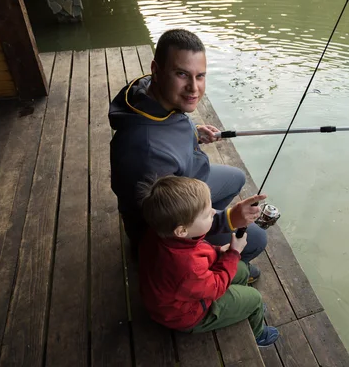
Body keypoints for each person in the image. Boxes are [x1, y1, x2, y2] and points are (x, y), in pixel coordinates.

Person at [109, 28, 268, 280]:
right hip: (163, 228)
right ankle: (218, 270)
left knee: (236, 178)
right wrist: (227, 218)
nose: (193, 88)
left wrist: (193, 132)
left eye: (200, 76)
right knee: (257, 238)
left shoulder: (150, 93)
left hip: (184, 183)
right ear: (156, 69)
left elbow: (166, 127)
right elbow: (170, 219)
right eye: (182, 74)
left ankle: (205, 231)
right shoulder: (146, 151)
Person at [138, 175, 279, 346]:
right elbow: (215, 287)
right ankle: (259, 335)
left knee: (241, 269)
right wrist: (234, 253)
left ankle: (240, 306)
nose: (214, 212)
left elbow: (197, 251)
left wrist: (220, 251)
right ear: (181, 230)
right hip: (187, 314)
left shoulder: (163, 233)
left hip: (183, 291)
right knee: (255, 299)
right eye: (206, 214)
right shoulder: (186, 267)